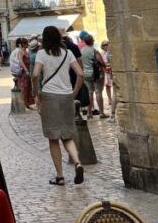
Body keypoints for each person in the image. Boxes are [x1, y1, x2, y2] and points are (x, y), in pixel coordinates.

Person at [32, 26, 85, 186]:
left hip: (49, 97)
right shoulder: (68, 53)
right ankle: (77, 162)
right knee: (67, 135)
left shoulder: (42, 53)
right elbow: (81, 74)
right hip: (66, 96)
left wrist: (36, 93)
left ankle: (60, 176)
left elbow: (35, 74)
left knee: (53, 138)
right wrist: (74, 93)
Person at [79, 32, 108, 118]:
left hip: (86, 74)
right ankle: (102, 113)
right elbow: (101, 62)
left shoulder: (82, 51)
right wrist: (104, 66)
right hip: (96, 74)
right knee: (98, 92)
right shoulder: (94, 51)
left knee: (89, 92)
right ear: (92, 41)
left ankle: (89, 113)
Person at [100, 39, 116, 118]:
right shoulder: (102, 53)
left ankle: (113, 99)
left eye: (107, 44)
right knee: (107, 86)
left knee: (113, 85)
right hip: (106, 71)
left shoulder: (111, 52)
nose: (106, 46)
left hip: (110, 70)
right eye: (104, 45)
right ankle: (110, 99)